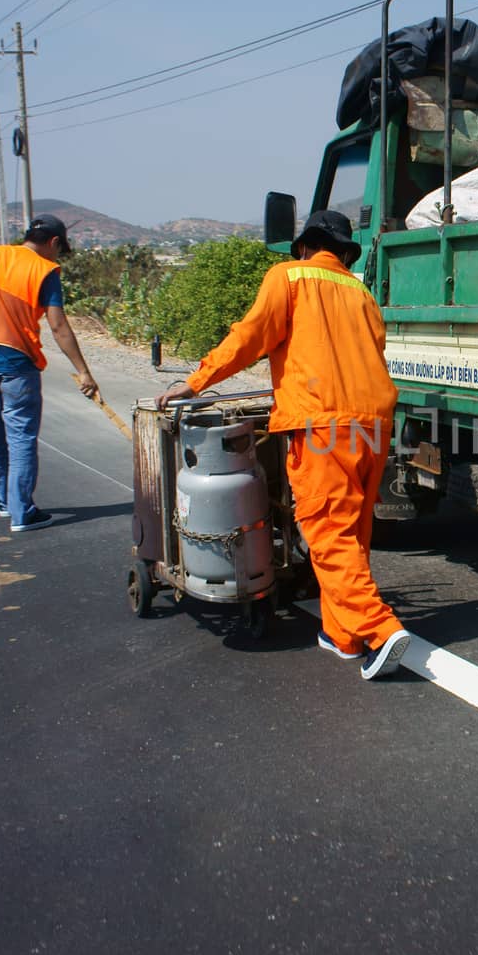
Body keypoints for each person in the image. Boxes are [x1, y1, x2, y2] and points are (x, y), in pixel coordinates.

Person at [155, 210, 411, 680]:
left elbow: (249, 337)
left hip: (322, 423)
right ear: (343, 252)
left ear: (305, 246)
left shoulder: (288, 277)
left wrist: (195, 382)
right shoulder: (360, 292)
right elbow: (374, 351)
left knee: (326, 533)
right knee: (352, 534)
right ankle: (343, 635)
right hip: (374, 424)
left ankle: (379, 628)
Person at [0, 213, 99, 532]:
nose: (58, 255)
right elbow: (58, 325)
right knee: (21, 436)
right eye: (60, 249)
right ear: (53, 243)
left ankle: (4, 500)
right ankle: (22, 511)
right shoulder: (45, 270)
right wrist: (83, 371)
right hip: (16, 365)